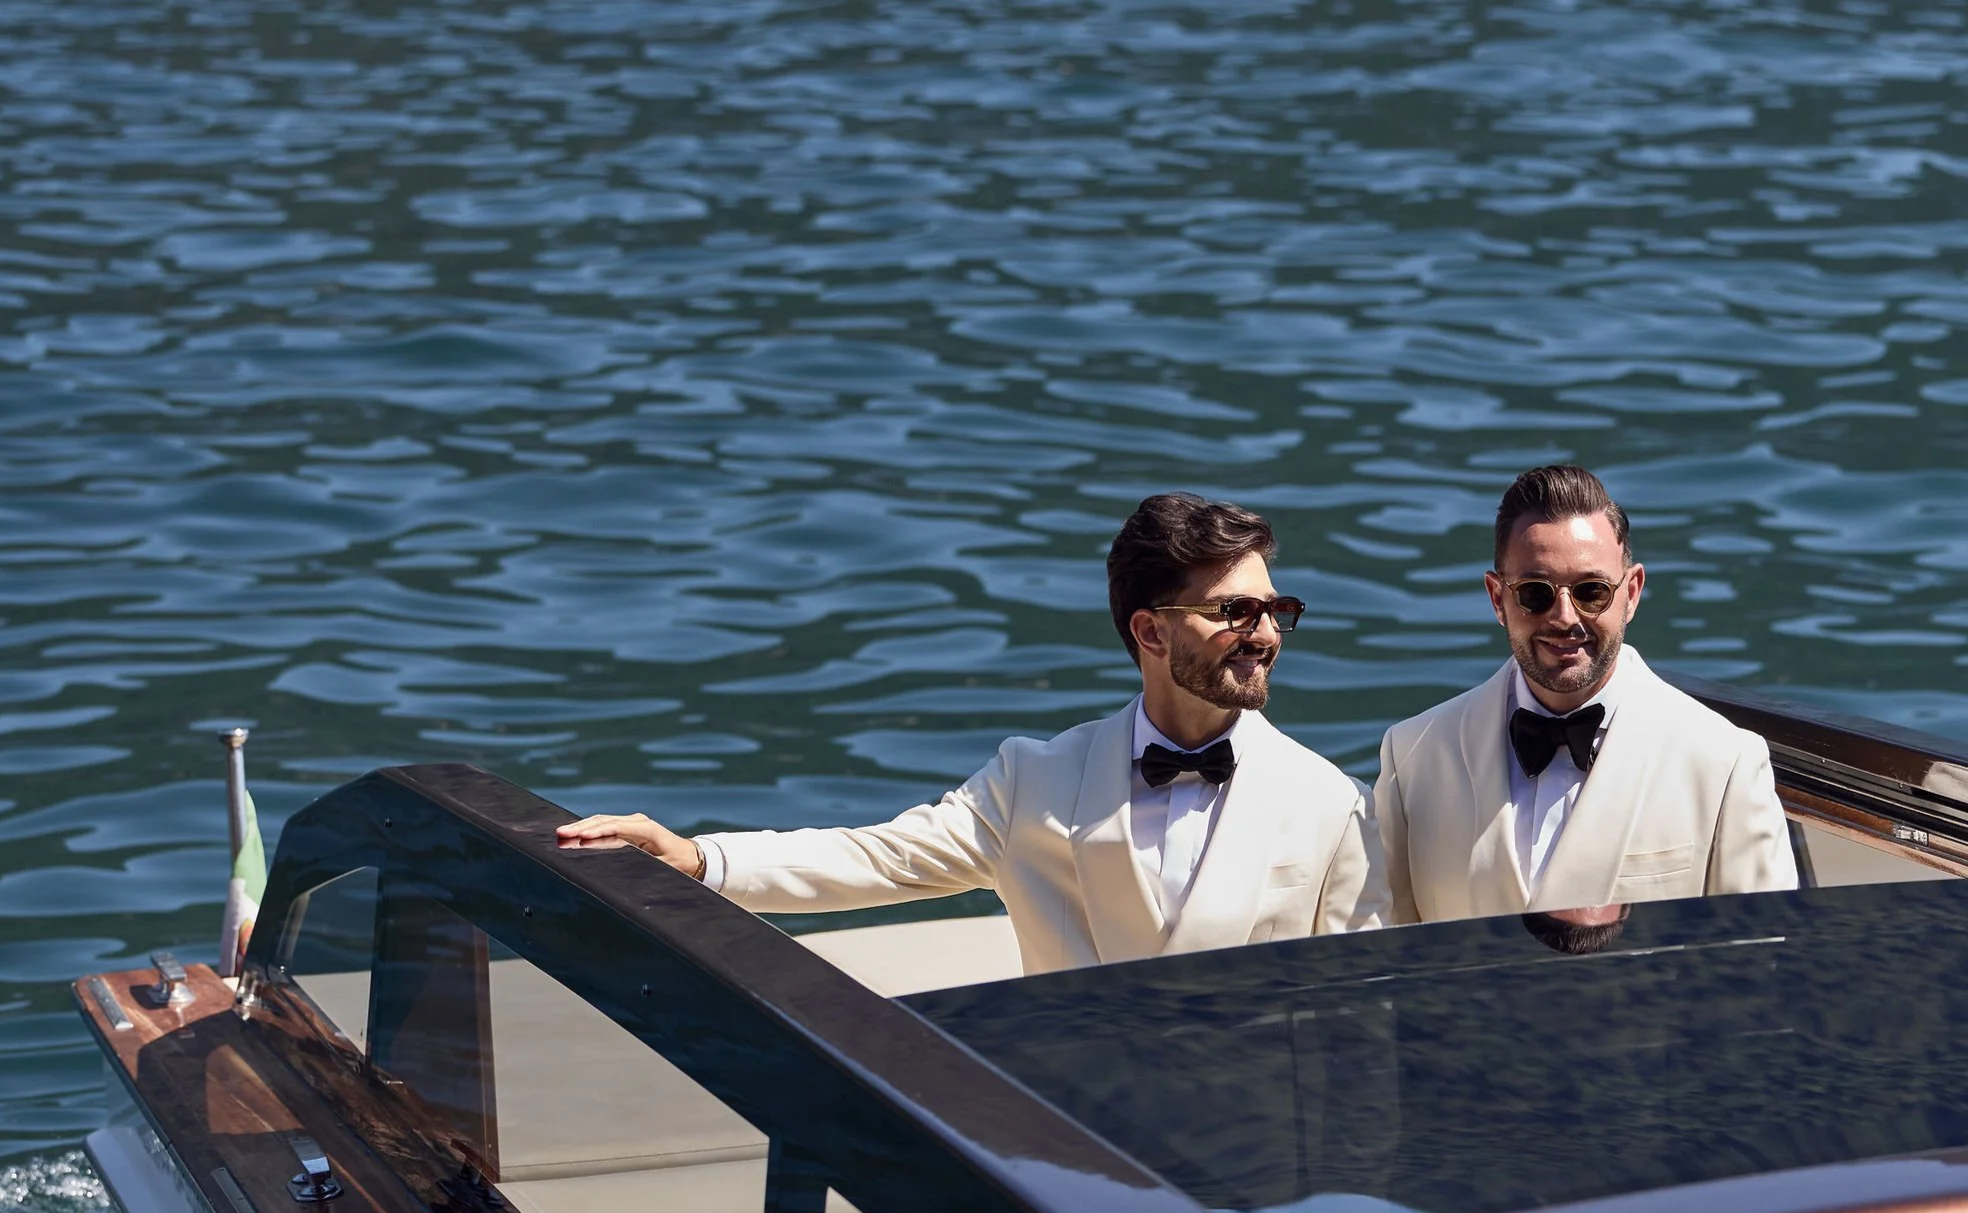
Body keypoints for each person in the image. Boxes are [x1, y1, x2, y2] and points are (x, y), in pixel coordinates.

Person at [555, 490, 1386, 971]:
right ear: (1150, 632)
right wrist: (698, 858)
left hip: (1257, 1161)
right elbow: (877, 858)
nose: (1266, 633)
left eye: (1275, 610)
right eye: (1234, 612)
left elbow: (1362, 1010)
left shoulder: (1330, 803)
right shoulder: (1035, 778)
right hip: (1075, 1147)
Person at [1375, 461, 1798, 926]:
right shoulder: (1412, 756)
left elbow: (1760, 967)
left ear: (1631, 593)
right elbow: (1387, 957)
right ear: (1498, 598)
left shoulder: (1725, 764)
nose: (1564, 617)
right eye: (1535, 593)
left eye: (1591, 591)